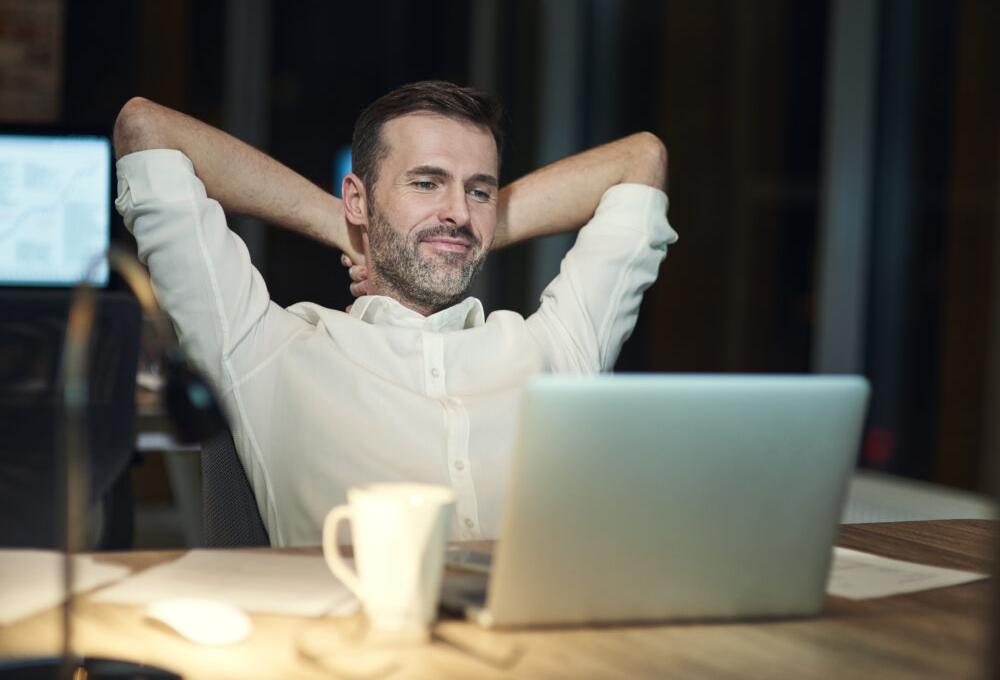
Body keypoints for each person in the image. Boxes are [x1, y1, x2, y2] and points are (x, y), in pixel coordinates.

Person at [114, 80, 676, 546]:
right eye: (426, 183)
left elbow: (641, 161)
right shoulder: (264, 348)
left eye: (480, 191)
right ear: (358, 197)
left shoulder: (553, 350)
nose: (457, 209)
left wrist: (457, 233)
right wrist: (347, 226)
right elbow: (146, 130)